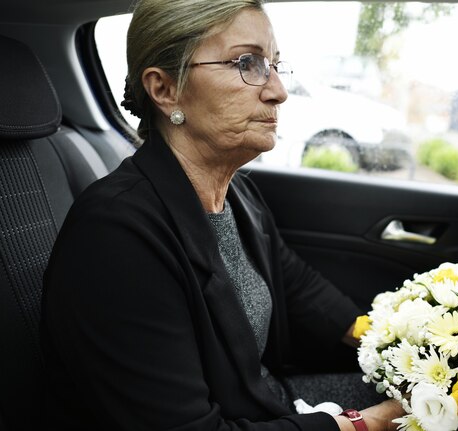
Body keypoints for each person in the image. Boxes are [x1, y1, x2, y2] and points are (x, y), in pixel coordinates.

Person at [39, 0, 405, 430]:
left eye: (274, 65)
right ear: (165, 90)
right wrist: (366, 425)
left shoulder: (239, 195)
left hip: (267, 399)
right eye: (246, 63)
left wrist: (402, 344)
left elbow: (299, 287)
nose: (278, 91)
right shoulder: (116, 235)